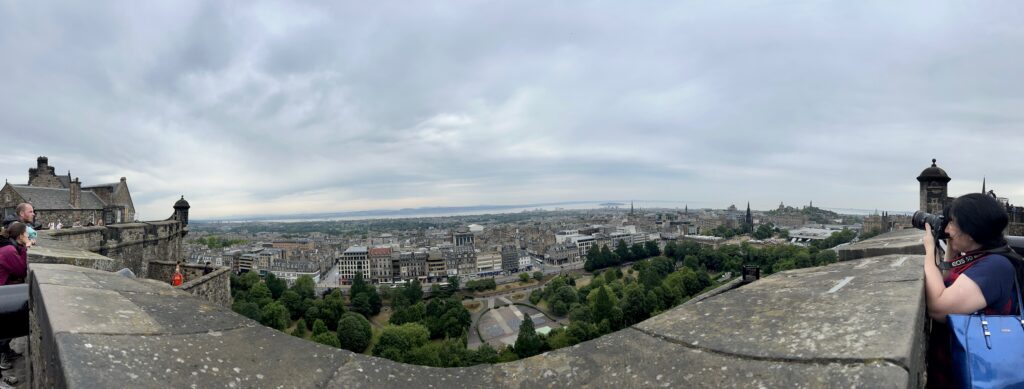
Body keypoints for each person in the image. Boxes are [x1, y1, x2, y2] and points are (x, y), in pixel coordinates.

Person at [923, 193, 1024, 387]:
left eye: (952, 223)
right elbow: (946, 283)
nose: (947, 229)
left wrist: (929, 251)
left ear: (971, 232)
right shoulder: (978, 256)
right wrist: (950, 253)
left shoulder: (995, 266)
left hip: (976, 373)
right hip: (957, 366)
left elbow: (939, 307)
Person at [0, 221, 30, 385]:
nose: (28, 237)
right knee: (7, 326)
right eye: (26, 234)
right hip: (3, 290)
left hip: (5, 287)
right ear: (20, 236)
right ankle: (3, 357)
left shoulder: (10, 246)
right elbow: (21, 270)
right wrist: (27, 247)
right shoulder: (9, 249)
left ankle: (6, 353)